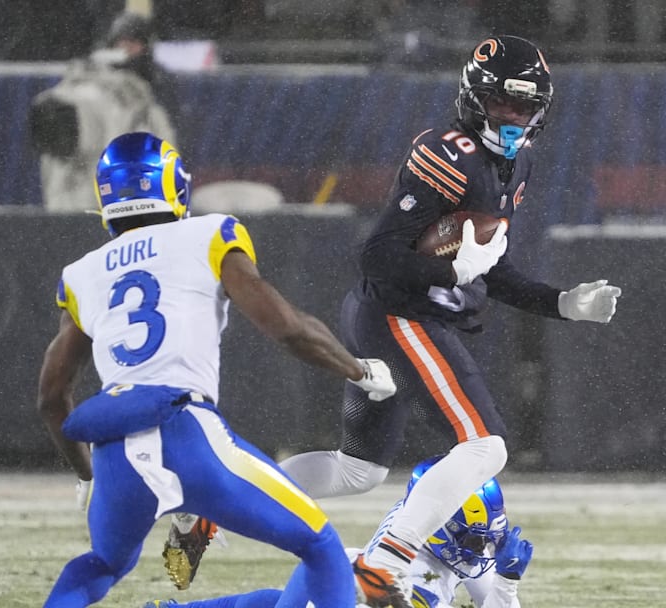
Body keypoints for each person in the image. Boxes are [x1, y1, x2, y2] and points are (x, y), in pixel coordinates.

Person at [249, 35, 615, 607]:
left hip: (404, 314)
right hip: (399, 314)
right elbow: (377, 256)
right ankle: (384, 563)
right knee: (485, 447)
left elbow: (491, 267)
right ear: (474, 98)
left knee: (357, 471)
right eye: (502, 104)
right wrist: (450, 272)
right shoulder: (449, 153)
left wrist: (561, 302)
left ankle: (223, 500)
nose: (513, 119)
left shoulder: (513, 164)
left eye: (524, 108)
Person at [36, 131, 397, 607]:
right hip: (187, 430)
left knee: (101, 564)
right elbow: (288, 328)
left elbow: (52, 397)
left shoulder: (82, 274)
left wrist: (87, 475)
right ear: (173, 184)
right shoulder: (210, 234)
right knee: (319, 544)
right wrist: (358, 370)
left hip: (113, 446)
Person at [144, 455, 533, 608]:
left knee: (289, 594)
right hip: (356, 585)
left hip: (343, 578)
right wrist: (507, 585)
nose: (484, 550)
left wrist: (504, 581)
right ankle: (217, 499)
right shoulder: (416, 570)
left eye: (491, 538)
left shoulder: (436, 530)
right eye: (476, 539)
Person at [29, 11, 176, 214]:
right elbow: (70, 111)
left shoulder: (147, 104)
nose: (127, 50)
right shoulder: (90, 88)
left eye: (134, 43)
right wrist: (60, 116)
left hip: (129, 214)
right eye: (122, 43)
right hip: (83, 209)